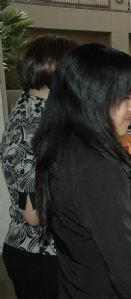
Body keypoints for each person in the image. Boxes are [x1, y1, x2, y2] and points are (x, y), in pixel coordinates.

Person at [33, 43, 131, 299]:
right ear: (92, 97)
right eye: (124, 97)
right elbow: (126, 271)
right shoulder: (98, 168)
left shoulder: (64, 144)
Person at [0, 34, 77, 299]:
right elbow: (35, 214)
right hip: (41, 257)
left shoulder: (33, 108)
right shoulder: (33, 127)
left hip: (37, 253)